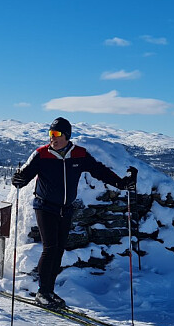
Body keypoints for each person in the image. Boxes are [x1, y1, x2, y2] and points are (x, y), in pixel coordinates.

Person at [11, 117, 136, 308]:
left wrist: (121, 183)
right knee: (50, 247)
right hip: (44, 207)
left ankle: (50, 291)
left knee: (59, 249)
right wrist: (18, 179)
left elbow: (99, 171)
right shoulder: (42, 154)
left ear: (67, 136)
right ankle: (42, 292)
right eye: (51, 134)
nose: (53, 138)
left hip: (65, 209)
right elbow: (25, 177)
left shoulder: (79, 154)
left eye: (57, 134)